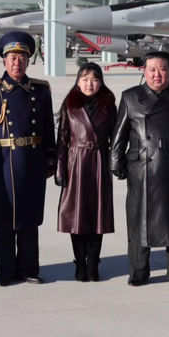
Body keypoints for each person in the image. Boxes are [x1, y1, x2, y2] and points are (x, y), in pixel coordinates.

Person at [110, 51, 169, 287]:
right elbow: (119, 135)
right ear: (144, 71)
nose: (157, 74)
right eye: (152, 69)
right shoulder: (131, 97)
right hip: (142, 167)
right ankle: (139, 271)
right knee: (139, 220)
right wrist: (115, 162)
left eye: (162, 69)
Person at [0, 31, 56, 285]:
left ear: (29, 61)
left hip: (32, 161)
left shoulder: (41, 90)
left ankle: (29, 269)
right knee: (3, 220)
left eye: (21, 57)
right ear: (4, 61)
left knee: (29, 219)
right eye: (12, 58)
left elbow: (48, 128)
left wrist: (51, 160)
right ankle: (5, 271)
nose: (16, 63)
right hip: (2, 162)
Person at [55, 62, 116, 282]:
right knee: (76, 216)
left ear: (101, 82)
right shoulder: (70, 104)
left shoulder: (109, 105)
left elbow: (115, 140)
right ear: (78, 81)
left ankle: (94, 263)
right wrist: (60, 169)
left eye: (94, 79)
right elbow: (62, 139)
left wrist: (115, 165)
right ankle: (80, 263)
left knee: (96, 216)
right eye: (85, 78)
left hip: (99, 162)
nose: (89, 83)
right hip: (76, 163)